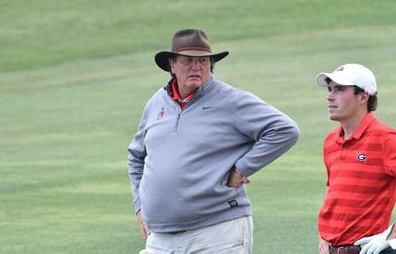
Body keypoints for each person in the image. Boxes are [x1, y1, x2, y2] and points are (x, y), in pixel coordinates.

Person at [128, 28, 300, 254]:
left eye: (203, 61)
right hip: (160, 236)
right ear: (172, 64)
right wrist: (140, 206)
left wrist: (241, 169)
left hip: (217, 231)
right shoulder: (157, 103)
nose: (196, 67)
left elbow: (284, 130)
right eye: (187, 60)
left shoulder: (230, 100)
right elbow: (136, 156)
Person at [315, 63, 396, 254]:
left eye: (340, 90)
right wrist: (323, 236)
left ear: (363, 96)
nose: (330, 96)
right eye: (330, 89)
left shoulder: (385, 138)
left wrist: (394, 233)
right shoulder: (331, 141)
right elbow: (333, 190)